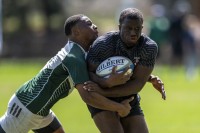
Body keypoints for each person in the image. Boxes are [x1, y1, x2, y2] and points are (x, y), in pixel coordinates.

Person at [0, 14, 135, 133]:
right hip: (26, 108)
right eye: (88, 24)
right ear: (76, 32)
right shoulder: (73, 57)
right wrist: (119, 107)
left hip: (40, 110)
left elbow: (95, 75)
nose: (94, 26)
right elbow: (88, 96)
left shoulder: (80, 53)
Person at [85, 8, 165, 133]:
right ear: (119, 27)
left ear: (142, 28)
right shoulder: (103, 44)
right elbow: (88, 75)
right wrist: (106, 83)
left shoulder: (148, 47)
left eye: (137, 29)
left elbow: (137, 85)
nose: (133, 32)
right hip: (101, 99)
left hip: (127, 98)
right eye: (128, 28)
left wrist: (104, 89)